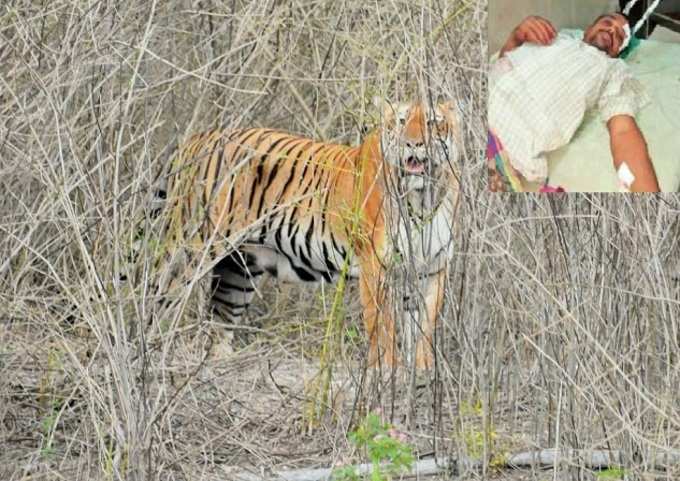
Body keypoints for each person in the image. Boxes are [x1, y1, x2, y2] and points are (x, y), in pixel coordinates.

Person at [488, 13, 661, 192]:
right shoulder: (556, 37)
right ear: (588, 29)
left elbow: (624, 131)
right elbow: (504, 63)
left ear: (618, 52)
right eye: (607, 22)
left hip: (507, 139)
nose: (611, 30)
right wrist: (516, 37)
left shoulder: (612, 70)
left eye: (619, 36)